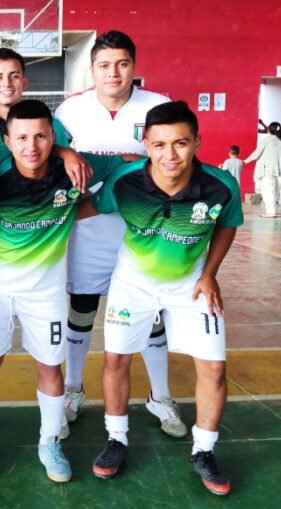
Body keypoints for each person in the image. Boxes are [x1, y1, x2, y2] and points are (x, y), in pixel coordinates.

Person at [0, 100, 125, 484]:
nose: (31, 146)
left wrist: (87, 199)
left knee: (50, 367)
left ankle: (49, 442)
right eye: (21, 138)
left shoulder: (74, 167)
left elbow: (126, 165)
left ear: (54, 138)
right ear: (7, 141)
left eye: (40, 137)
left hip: (46, 293)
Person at [90, 101, 243, 497]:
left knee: (214, 368)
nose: (169, 155)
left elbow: (227, 224)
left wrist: (210, 274)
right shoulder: (124, 181)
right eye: (159, 145)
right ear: (146, 145)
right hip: (132, 284)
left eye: (180, 143)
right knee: (115, 359)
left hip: (190, 285)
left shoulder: (221, 186)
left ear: (197, 142)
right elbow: (95, 207)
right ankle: (116, 439)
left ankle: (204, 450)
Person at [0, 48, 87, 434]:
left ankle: (50, 429)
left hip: (43, 249)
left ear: (25, 81)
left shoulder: (48, 124)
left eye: (13, 75)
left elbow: (49, 148)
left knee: (48, 360)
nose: (6, 83)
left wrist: (65, 151)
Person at [53, 30, 183, 440]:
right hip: (87, 231)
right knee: (81, 310)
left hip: (144, 234)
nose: (113, 73)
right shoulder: (70, 111)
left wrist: (138, 165)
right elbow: (55, 159)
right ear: (92, 69)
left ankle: (160, 396)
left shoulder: (158, 106)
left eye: (122, 64)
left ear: (134, 66)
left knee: (151, 315)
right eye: (105, 65)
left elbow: (175, 162)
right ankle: (73, 389)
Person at [244, 122, 281, 217]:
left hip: (269, 170)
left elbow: (257, 154)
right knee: (276, 192)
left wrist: (245, 161)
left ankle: (270, 212)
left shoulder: (267, 140)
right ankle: (272, 211)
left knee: (268, 191)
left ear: (270, 130)